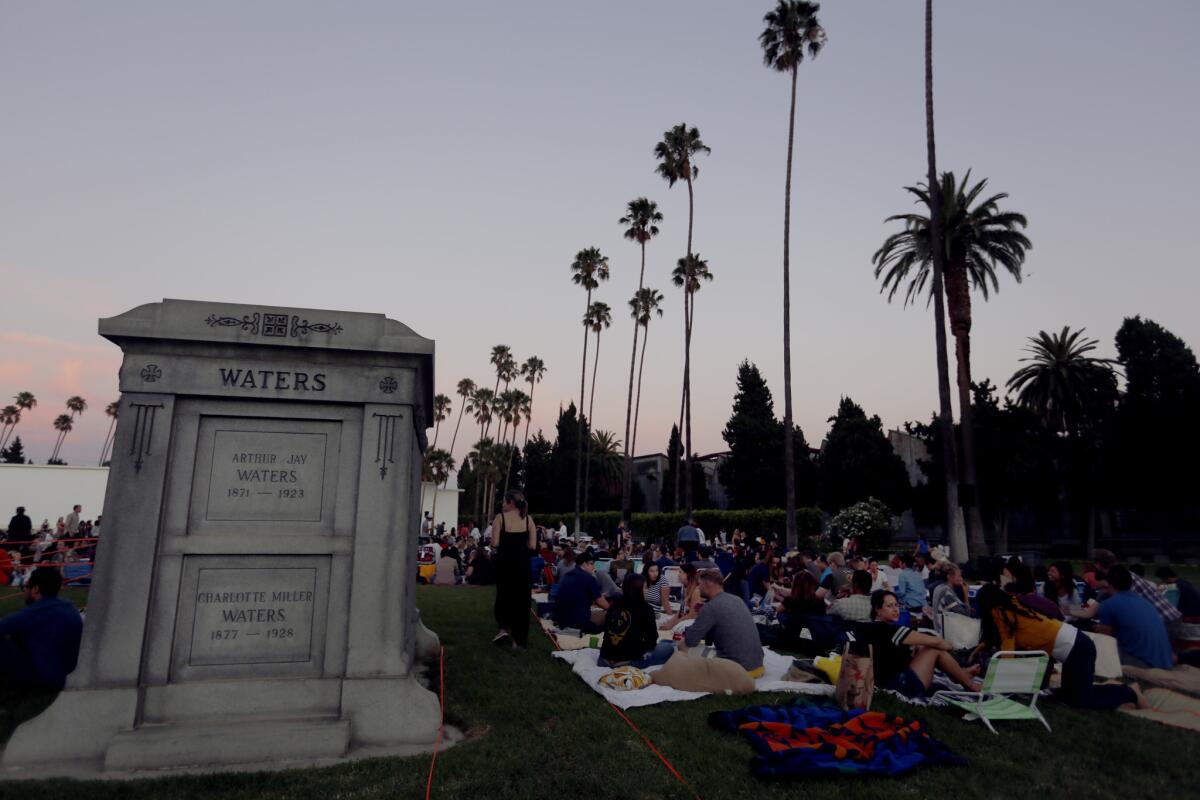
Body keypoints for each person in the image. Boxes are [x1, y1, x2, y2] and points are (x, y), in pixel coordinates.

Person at [975, 584, 1140, 710]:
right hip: (1074, 648)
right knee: (1070, 697)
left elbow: (1007, 646)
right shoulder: (1011, 606)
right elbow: (1008, 640)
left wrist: (1000, 678)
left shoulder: (1001, 612)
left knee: (1083, 701)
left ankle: (1129, 692)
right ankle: (1120, 691)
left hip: (1078, 648)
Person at [855, 590, 979, 700]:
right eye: (889, 606)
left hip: (885, 681)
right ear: (877, 609)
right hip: (901, 686)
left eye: (896, 605)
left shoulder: (872, 627)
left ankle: (960, 674)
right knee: (933, 649)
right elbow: (938, 642)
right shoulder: (890, 630)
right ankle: (970, 685)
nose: (895, 609)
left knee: (920, 647)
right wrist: (949, 645)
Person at [0, 567, 83, 691]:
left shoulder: (32, 613)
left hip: (43, 680)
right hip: (67, 676)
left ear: (36, 589)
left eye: (26, 587)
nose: (24, 591)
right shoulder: (69, 607)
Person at [679, 570, 765, 676]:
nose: (698, 588)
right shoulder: (737, 599)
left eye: (699, 584)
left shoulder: (711, 607)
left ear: (707, 584)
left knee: (682, 645)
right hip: (757, 665)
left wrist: (698, 618)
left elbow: (691, 641)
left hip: (738, 669)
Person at [1093, 566, 1175, 669]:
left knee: (1092, 645)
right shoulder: (1144, 601)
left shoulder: (1108, 604)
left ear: (1109, 584)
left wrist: (1101, 627)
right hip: (1165, 661)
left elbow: (1105, 638)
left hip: (1144, 663)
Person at [598, 573, 676, 669]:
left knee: (664, 643)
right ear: (638, 590)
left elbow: (607, 630)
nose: (648, 590)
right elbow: (651, 641)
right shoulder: (646, 609)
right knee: (668, 648)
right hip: (629, 661)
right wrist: (640, 648)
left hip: (604, 658)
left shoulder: (615, 604)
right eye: (646, 588)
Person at [491, 490, 537, 648]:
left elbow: (495, 543)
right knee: (522, 601)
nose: (502, 505)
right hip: (522, 564)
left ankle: (504, 628)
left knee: (504, 596)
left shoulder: (500, 518)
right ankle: (519, 639)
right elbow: (532, 545)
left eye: (504, 502)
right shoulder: (529, 520)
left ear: (510, 503)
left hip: (505, 563)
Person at [1093, 549, 1181, 628]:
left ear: (1098, 564)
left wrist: (1106, 625)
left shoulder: (1120, 578)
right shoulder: (1123, 575)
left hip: (1163, 618)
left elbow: (1126, 609)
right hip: (1168, 616)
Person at [552, 552, 610, 633]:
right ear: (584, 564)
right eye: (591, 564)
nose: (593, 567)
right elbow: (600, 602)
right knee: (608, 614)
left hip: (560, 620)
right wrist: (613, 609)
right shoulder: (589, 578)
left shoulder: (567, 576)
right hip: (578, 623)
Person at [930, 563, 972, 634]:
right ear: (949, 577)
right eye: (958, 576)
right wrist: (966, 593)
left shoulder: (939, 587)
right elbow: (966, 614)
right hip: (947, 632)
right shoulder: (946, 592)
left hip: (941, 627)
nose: (961, 579)